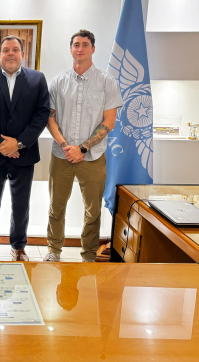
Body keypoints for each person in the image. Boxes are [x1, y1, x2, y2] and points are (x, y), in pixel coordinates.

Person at [44, 29, 123, 263]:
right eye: (76, 44)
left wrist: (84, 148)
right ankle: (54, 250)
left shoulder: (107, 82)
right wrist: (67, 146)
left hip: (93, 157)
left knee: (93, 210)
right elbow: (50, 118)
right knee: (56, 206)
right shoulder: (58, 82)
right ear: (71, 49)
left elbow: (109, 122)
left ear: (93, 49)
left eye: (85, 44)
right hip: (62, 155)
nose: (80, 48)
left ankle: (88, 254)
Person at [0, 35, 49, 261]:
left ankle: (19, 246)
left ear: (22, 55)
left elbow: (42, 114)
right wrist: (0, 144)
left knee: (21, 204)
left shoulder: (37, 79)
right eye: (6, 50)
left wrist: (18, 143)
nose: (10, 53)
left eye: (15, 49)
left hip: (24, 154)